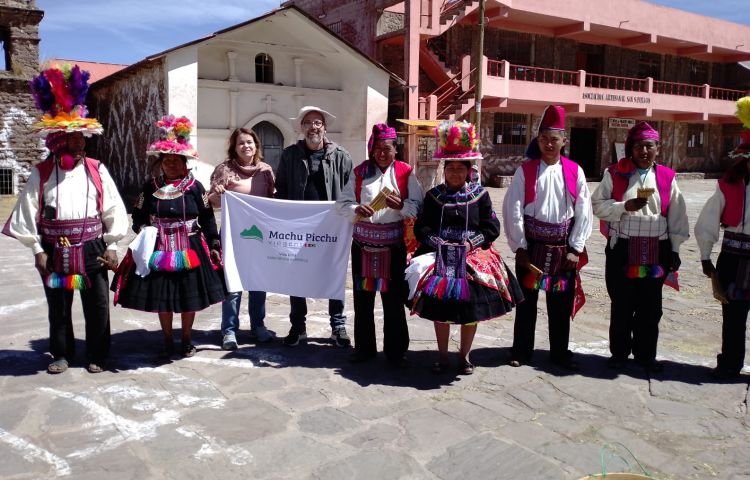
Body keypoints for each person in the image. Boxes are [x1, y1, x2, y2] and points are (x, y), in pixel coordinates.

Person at [3, 65, 128, 374]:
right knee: (58, 305)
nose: (80, 143)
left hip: (93, 247)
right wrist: (38, 251)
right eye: (73, 139)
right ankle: (61, 353)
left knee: (97, 304)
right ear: (58, 140)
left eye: (81, 138)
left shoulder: (97, 169)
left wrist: (112, 245)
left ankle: (98, 353)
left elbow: (113, 208)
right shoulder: (41, 173)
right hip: (54, 248)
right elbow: (25, 214)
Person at [410, 121, 522, 375]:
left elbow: (491, 228)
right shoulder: (434, 196)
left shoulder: (480, 196)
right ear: (444, 169)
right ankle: (442, 356)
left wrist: (471, 244)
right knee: (441, 309)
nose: (456, 173)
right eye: (451, 168)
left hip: (472, 256)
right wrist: (439, 244)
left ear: (469, 171)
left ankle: (465, 355)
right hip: (440, 256)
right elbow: (422, 228)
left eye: (461, 168)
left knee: (470, 309)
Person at [112, 115, 226, 359]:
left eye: (176, 161)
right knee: (163, 298)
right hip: (159, 248)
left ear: (185, 163)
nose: (171, 165)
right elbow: (139, 216)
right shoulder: (150, 187)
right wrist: (144, 231)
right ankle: (166, 339)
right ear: (161, 163)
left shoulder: (196, 188)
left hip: (191, 246)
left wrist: (214, 242)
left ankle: (185, 339)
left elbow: (207, 217)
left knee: (188, 298)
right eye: (167, 161)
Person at [592, 121, 688, 372]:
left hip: (656, 251)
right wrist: (624, 206)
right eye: (638, 147)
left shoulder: (668, 177)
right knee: (622, 302)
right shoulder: (614, 173)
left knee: (650, 304)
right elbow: (598, 205)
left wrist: (675, 249)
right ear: (630, 149)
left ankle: (646, 355)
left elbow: (677, 215)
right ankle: (619, 354)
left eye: (649, 146)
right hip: (623, 250)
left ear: (658, 148)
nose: (644, 152)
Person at [503, 105, 592, 371]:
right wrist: (519, 246)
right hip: (532, 249)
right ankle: (521, 350)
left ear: (564, 140)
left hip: (562, 250)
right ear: (537, 140)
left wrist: (575, 248)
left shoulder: (575, 171)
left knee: (560, 304)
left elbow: (584, 210)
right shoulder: (526, 170)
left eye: (554, 139)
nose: (549, 144)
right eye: (544, 139)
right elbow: (513, 209)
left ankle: (559, 352)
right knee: (526, 303)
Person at [336, 123, 423, 367]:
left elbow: (417, 205)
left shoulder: (406, 172)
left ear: (396, 149)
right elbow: (341, 204)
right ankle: (364, 349)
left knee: (393, 300)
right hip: (362, 246)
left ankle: (396, 351)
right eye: (377, 148)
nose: (381, 153)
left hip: (394, 248)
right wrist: (356, 208)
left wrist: (401, 207)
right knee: (363, 300)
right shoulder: (360, 172)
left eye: (387, 148)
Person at [275, 106, 353, 347]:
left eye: (317, 122)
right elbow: (282, 190)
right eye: (308, 122)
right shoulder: (290, 156)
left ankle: (337, 327)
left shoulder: (341, 155)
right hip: (299, 228)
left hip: (332, 228)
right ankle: (298, 327)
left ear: (325, 127)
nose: (313, 127)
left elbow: (350, 190)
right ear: (301, 128)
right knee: (296, 274)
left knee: (335, 273)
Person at [695, 96, 750, 380]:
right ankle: (729, 364)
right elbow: (707, 220)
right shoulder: (728, 184)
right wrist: (706, 256)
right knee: (733, 317)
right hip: (733, 257)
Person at [208, 127, 276, 350]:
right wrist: (216, 193)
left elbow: (273, 200)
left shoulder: (266, 171)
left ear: (256, 145)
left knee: (259, 282)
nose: (246, 146)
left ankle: (258, 326)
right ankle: (229, 330)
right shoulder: (225, 170)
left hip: (260, 236)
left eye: (250, 142)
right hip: (233, 236)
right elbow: (212, 202)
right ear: (234, 147)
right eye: (241, 143)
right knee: (233, 285)